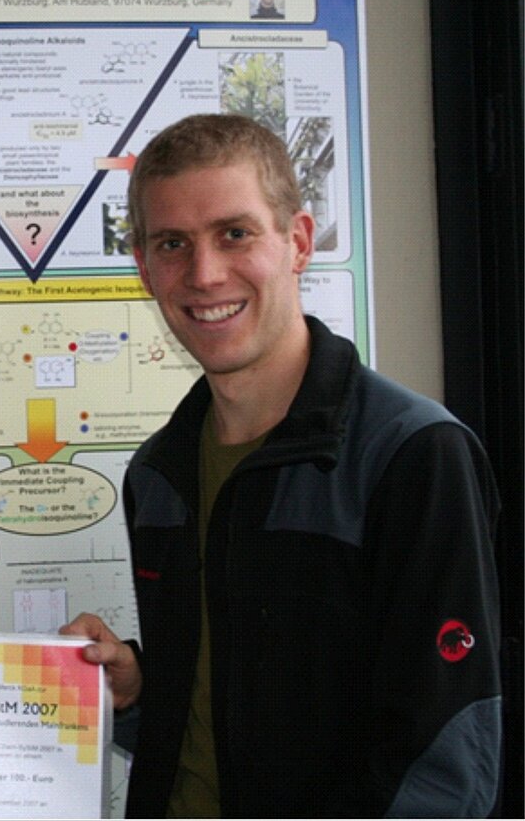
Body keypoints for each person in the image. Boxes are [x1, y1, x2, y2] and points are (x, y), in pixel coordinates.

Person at [62, 114, 502, 817]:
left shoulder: (411, 455)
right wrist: (139, 692)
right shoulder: (158, 474)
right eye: (173, 244)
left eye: (234, 233)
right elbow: (218, 720)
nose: (204, 274)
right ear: (143, 266)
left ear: (297, 242)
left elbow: (443, 767)